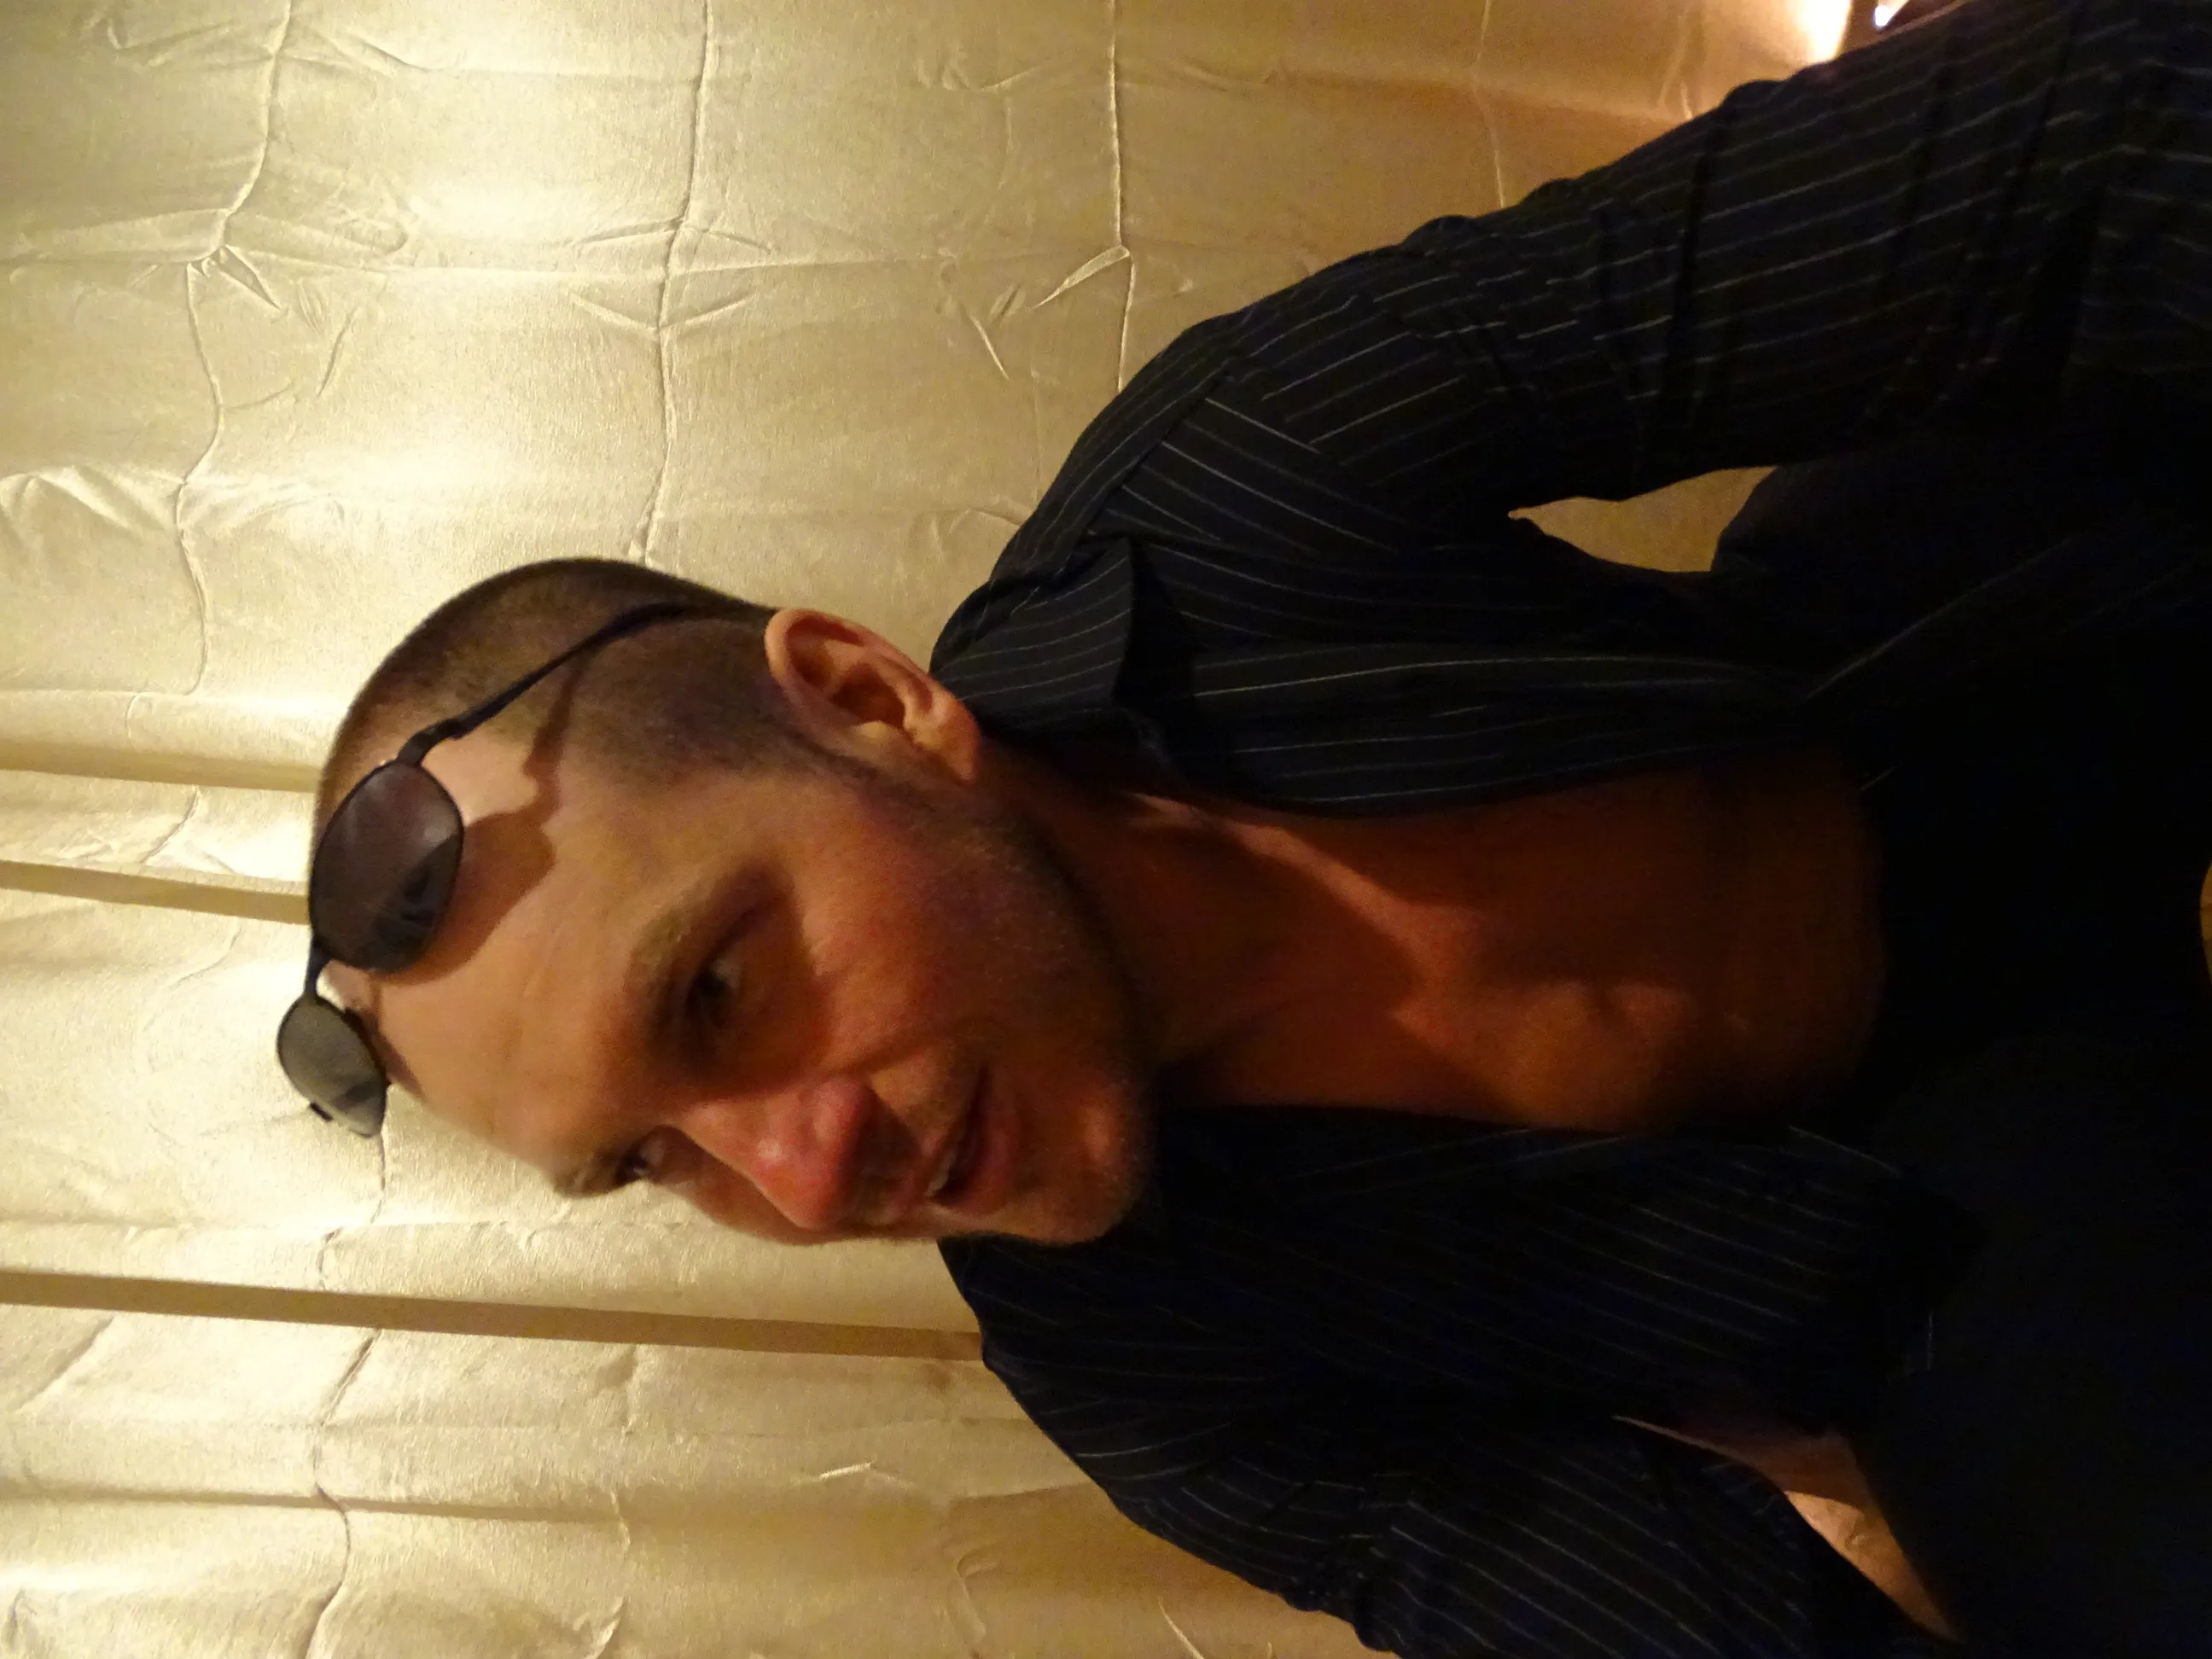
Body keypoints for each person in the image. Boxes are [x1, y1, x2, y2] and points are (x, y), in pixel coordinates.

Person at [276, 0, 2212, 1652]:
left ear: (869, 702)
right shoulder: (1133, 1346)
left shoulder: (1235, 494)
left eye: (714, 993)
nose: (800, 1180)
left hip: (1985, 663)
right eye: (652, 1163)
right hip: (1958, 1211)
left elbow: (2067, 163)